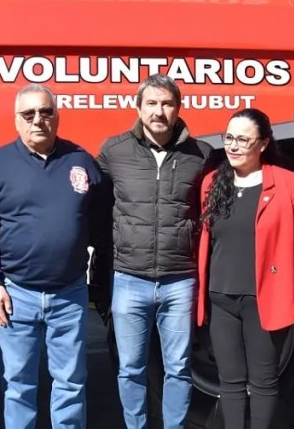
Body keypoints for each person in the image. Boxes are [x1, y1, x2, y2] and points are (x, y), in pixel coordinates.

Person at [0, 83, 109, 429]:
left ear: (57, 116)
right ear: (16, 120)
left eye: (45, 111)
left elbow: (101, 222)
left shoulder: (80, 160)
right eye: (28, 114)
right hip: (16, 294)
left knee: (71, 384)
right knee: (18, 384)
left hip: (69, 293)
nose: (38, 119)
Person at [96, 74, 213, 429]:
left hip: (180, 281)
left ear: (178, 108)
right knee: (130, 368)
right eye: (151, 103)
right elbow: (91, 203)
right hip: (129, 279)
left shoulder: (201, 154)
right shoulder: (114, 151)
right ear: (138, 107)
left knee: (178, 368)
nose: (159, 111)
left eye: (167, 104)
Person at [196, 108, 294, 429]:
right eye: (228, 138)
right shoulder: (211, 182)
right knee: (230, 383)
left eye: (243, 140)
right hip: (220, 299)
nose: (233, 146)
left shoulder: (287, 182)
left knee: (264, 382)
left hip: (266, 299)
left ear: (263, 144)